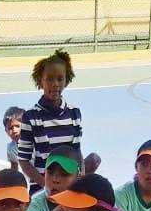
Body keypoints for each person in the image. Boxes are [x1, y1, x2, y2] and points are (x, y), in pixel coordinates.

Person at [15, 50, 100, 186]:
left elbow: (76, 151)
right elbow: (23, 160)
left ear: (66, 81)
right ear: (40, 81)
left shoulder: (74, 113)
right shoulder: (31, 117)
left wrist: (80, 180)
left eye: (60, 79)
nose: (55, 84)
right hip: (42, 186)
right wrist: (47, 185)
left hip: (69, 186)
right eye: (50, 79)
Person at [23, 145, 81, 211]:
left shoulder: (84, 204)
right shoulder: (35, 205)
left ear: (77, 177)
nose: (55, 179)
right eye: (50, 173)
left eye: (64, 174)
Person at [3, 106, 25, 170]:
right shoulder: (11, 148)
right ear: (6, 131)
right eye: (10, 128)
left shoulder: (37, 141)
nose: (14, 130)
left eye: (17, 126)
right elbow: (14, 169)